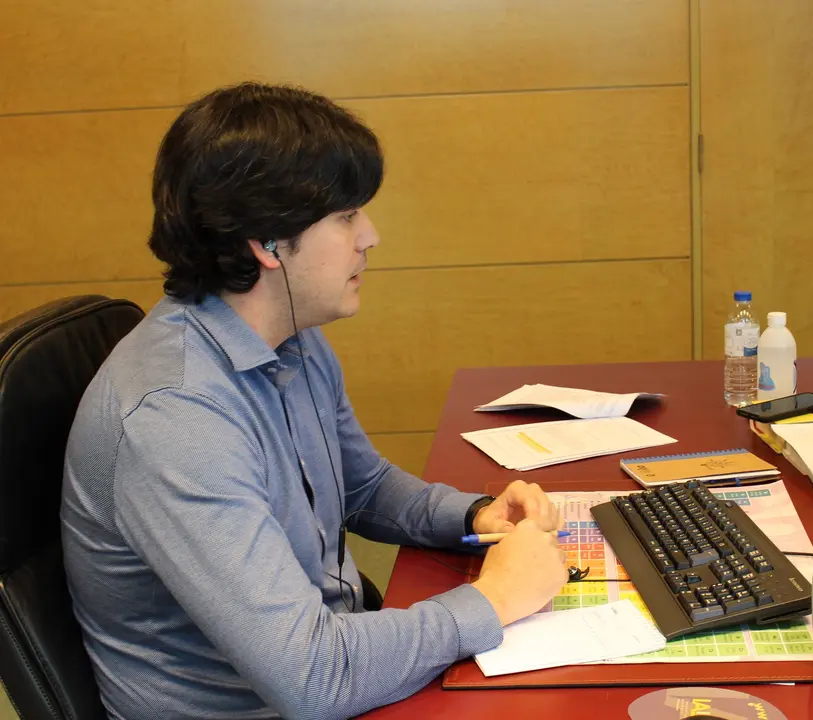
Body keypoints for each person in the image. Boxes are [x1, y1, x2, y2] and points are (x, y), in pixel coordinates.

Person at [61, 82, 569, 720]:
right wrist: (492, 602)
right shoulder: (176, 416)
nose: (371, 236)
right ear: (267, 243)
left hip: (336, 672)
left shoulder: (291, 338)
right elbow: (312, 678)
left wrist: (472, 516)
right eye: (348, 215)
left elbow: (360, 487)